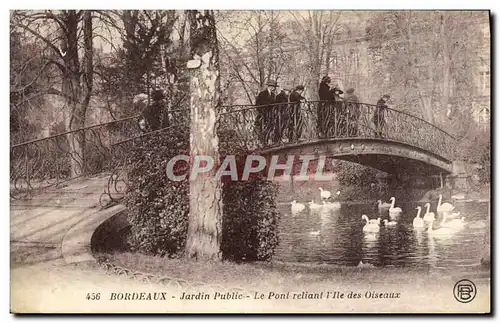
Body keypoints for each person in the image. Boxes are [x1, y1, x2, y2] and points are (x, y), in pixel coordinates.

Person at [254, 80, 278, 145]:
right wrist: (261, 111)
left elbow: (274, 103)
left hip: (270, 114)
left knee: (269, 127)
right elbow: (257, 104)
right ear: (269, 86)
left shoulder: (273, 95)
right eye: (273, 86)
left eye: (274, 87)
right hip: (263, 114)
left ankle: (266, 141)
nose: (273, 88)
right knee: (262, 128)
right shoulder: (262, 93)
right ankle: (262, 142)